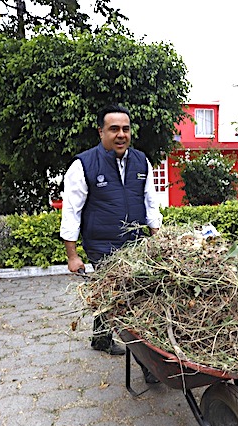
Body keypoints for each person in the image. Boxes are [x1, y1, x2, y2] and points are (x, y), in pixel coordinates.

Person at [60, 104, 162, 377]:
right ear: (101, 132)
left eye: (125, 129)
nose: (121, 134)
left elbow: (151, 203)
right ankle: (149, 365)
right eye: (114, 129)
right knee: (127, 299)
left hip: (137, 242)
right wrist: (73, 256)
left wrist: (159, 240)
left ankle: (102, 338)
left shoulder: (142, 161)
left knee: (122, 295)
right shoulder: (83, 164)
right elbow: (71, 211)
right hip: (102, 244)